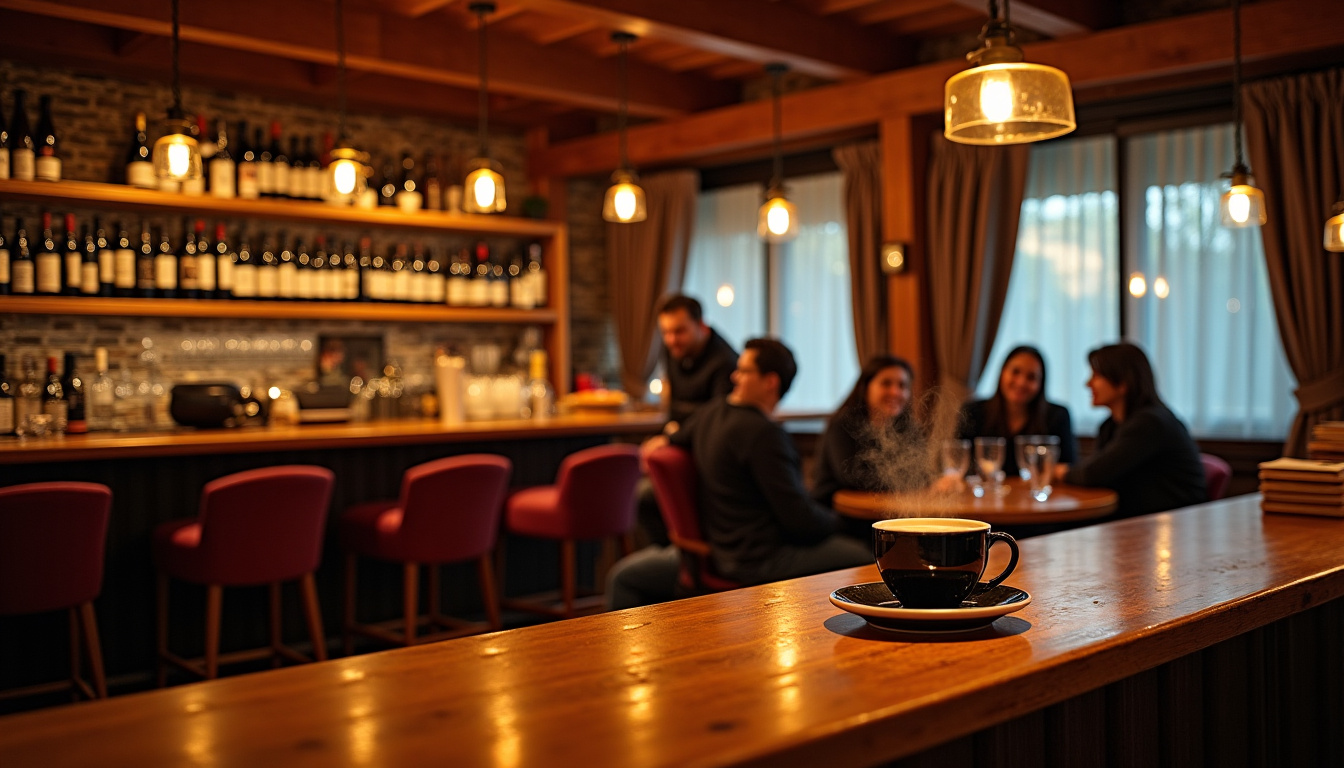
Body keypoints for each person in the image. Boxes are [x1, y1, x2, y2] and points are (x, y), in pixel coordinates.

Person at [608, 338, 870, 610]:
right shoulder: (764, 435)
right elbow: (798, 521)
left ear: (770, 381)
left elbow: (674, 440)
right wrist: (842, 523)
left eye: (744, 371)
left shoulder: (710, 413)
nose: (734, 375)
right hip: (756, 559)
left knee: (622, 578)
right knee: (862, 556)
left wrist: (662, 440)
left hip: (718, 549)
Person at [1055, 342, 1207, 518]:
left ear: (1122, 383)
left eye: (1096, 376)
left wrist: (1059, 471)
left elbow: (1093, 474)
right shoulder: (1110, 425)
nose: (1088, 383)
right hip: (1138, 522)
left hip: (1173, 525)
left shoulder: (1150, 423)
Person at [635, 294, 739, 546]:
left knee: (645, 495)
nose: (672, 340)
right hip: (682, 449)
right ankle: (668, 559)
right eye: (666, 333)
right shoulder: (674, 352)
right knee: (639, 496)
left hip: (712, 460)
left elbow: (714, 418)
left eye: (679, 331)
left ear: (701, 325)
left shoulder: (725, 361)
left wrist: (668, 439)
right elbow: (676, 410)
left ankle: (678, 561)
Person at [811, 355, 933, 525]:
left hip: (887, 516)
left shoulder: (907, 427)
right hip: (841, 519)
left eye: (902, 386)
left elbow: (923, 474)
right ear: (865, 387)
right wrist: (911, 484)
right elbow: (854, 478)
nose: (895, 392)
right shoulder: (844, 424)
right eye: (886, 383)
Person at [957, 346, 1078, 479]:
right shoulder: (973, 412)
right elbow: (958, 463)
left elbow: (1067, 468)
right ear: (1002, 373)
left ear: (1041, 383)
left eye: (1031, 377)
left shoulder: (1057, 415)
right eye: (1015, 372)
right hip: (985, 496)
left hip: (1038, 497)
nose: (1021, 382)